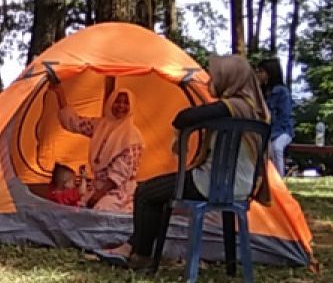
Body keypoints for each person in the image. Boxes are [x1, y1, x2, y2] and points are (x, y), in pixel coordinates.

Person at [97, 54, 270, 268]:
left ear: (230, 79)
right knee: (157, 192)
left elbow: (183, 118)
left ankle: (139, 254)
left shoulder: (230, 107)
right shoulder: (257, 111)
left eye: (216, 77)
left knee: (146, 192)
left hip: (212, 183)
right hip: (242, 187)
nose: (209, 82)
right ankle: (134, 247)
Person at [50, 84, 143, 212]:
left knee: (99, 211)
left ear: (131, 107)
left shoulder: (132, 136)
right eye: (117, 102)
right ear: (111, 102)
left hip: (118, 190)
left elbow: (119, 175)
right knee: (79, 207)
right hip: (97, 186)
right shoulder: (100, 126)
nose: (121, 106)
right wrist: (60, 94)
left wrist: (98, 195)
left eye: (126, 103)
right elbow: (75, 123)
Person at [257, 57, 293, 176]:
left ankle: (279, 179)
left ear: (270, 73)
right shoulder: (260, 92)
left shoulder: (282, 92)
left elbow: (284, 117)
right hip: (264, 131)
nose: (258, 74)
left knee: (276, 147)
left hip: (282, 131)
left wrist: (271, 135)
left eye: (261, 71)